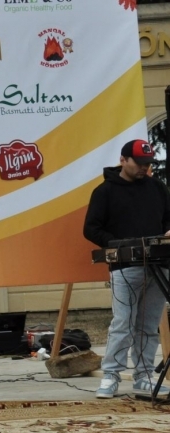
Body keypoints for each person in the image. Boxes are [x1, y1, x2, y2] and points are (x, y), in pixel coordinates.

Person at [83, 139, 170, 399]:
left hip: (159, 265)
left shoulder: (157, 187)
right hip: (124, 266)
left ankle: (144, 376)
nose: (144, 168)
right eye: (139, 163)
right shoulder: (105, 191)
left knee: (148, 325)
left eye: (148, 163)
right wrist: (119, 245)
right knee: (122, 323)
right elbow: (91, 228)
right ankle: (111, 376)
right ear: (123, 160)